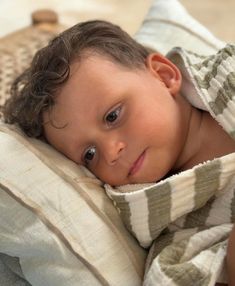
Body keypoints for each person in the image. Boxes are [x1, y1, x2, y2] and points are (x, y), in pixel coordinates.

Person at [2, 20, 235, 284]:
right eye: (89, 154)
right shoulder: (172, 220)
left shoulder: (226, 75)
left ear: (163, 76)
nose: (111, 152)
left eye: (113, 116)